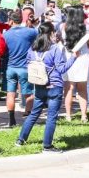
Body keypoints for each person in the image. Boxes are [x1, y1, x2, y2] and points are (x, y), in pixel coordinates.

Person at [15, 22, 77, 153]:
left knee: (34, 114)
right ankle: (47, 146)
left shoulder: (33, 48)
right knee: (51, 117)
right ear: (51, 33)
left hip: (39, 86)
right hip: (54, 87)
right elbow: (61, 69)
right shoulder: (54, 49)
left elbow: (27, 65)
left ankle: (21, 139)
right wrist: (73, 58)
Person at [3, 10, 39, 127]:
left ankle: (11, 119)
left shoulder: (6, 34)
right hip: (25, 67)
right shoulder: (30, 32)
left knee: (10, 93)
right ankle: (28, 115)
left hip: (11, 67)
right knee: (28, 93)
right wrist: (32, 23)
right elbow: (38, 33)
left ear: (11, 21)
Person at [62, 6, 89, 122]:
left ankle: (68, 115)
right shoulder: (87, 28)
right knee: (82, 88)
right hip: (83, 56)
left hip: (68, 57)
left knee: (69, 88)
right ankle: (84, 115)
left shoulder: (63, 27)